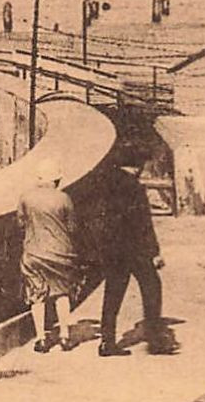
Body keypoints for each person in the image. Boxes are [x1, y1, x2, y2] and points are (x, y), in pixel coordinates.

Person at [94, 150, 170, 356]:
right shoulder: (134, 188)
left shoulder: (105, 184)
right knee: (152, 286)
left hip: (112, 250)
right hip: (134, 250)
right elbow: (143, 223)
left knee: (112, 294)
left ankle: (106, 341)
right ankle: (155, 340)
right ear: (137, 166)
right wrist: (154, 252)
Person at [18, 159, 83, 352]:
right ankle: (64, 336)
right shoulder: (64, 199)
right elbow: (73, 227)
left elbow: (21, 224)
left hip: (34, 253)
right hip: (61, 253)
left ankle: (41, 339)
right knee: (62, 294)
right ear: (56, 179)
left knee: (37, 295)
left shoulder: (26, 198)